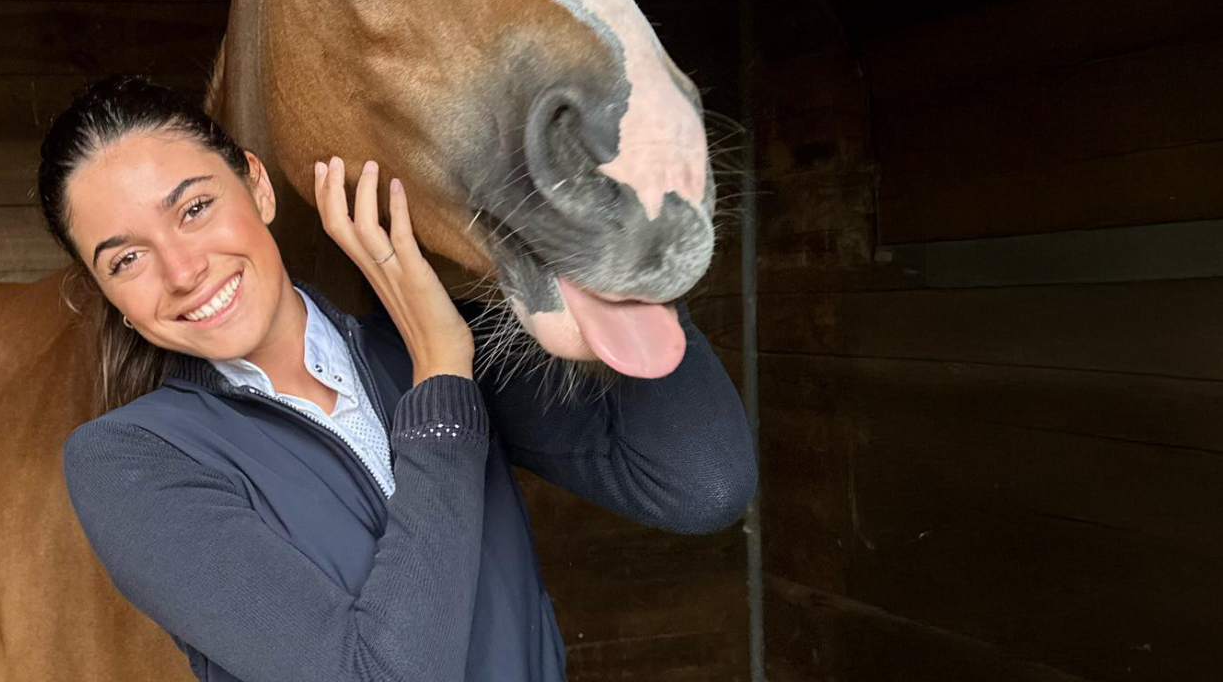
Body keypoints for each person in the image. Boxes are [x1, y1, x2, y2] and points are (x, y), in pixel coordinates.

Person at [39, 76, 757, 682]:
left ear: (257, 187)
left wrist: (612, 234)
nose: (182, 270)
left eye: (195, 209)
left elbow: (702, 481)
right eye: (125, 260)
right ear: (108, 297)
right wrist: (442, 381)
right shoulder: (130, 460)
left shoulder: (425, 340)